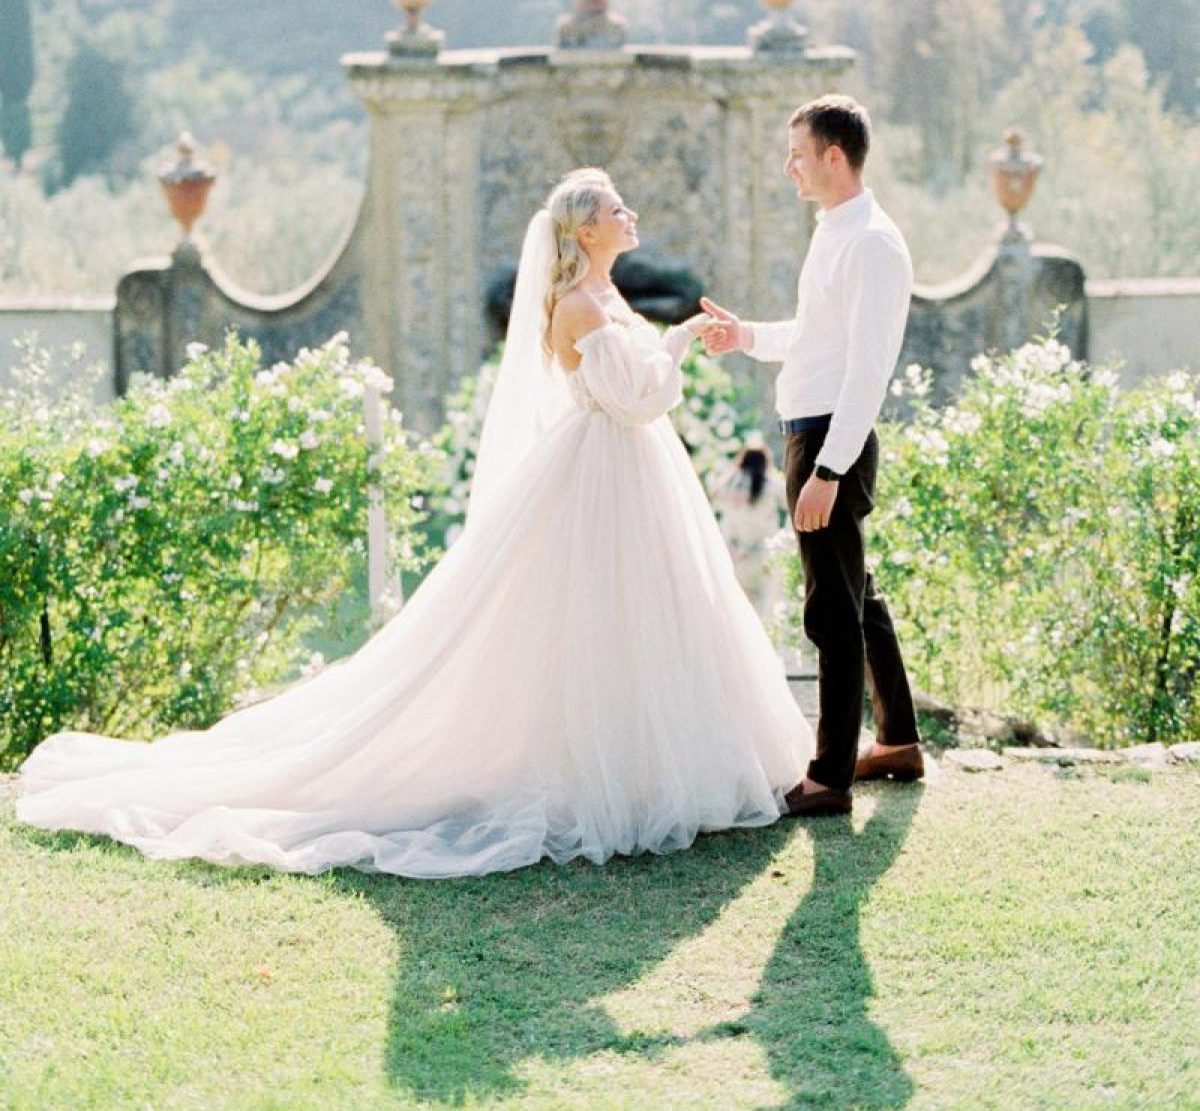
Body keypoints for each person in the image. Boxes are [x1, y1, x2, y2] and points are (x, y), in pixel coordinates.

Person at [18, 169, 812, 878]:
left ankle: (651, 763)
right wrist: (677, 345)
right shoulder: (574, 304)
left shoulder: (607, 296)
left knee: (642, 614)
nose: (630, 212)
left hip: (635, 470)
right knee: (591, 615)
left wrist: (671, 345)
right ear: (586, 230)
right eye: (615, 206)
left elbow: (637, 386)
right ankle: (603, 774)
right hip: (602, 470)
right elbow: (635, 398)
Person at [699, 95, 923, 818]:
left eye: (797, 152)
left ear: (835, 155)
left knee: (831, 607)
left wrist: (828, 469)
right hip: (813, 426)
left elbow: (867, 369)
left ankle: (828, 775)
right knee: (856, 591)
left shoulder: (873, 244)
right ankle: (898, 740)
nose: (788, 165)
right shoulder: (835, 231)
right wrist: (747, 338)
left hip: (831, 437)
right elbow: (815, 334)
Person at [712, 440, 788, 632]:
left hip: (734, 550)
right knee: (762, 602)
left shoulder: (730, 483)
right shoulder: (770, 484)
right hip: (762, 551)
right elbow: (789, 500)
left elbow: (715, 497)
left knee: (736, 599)